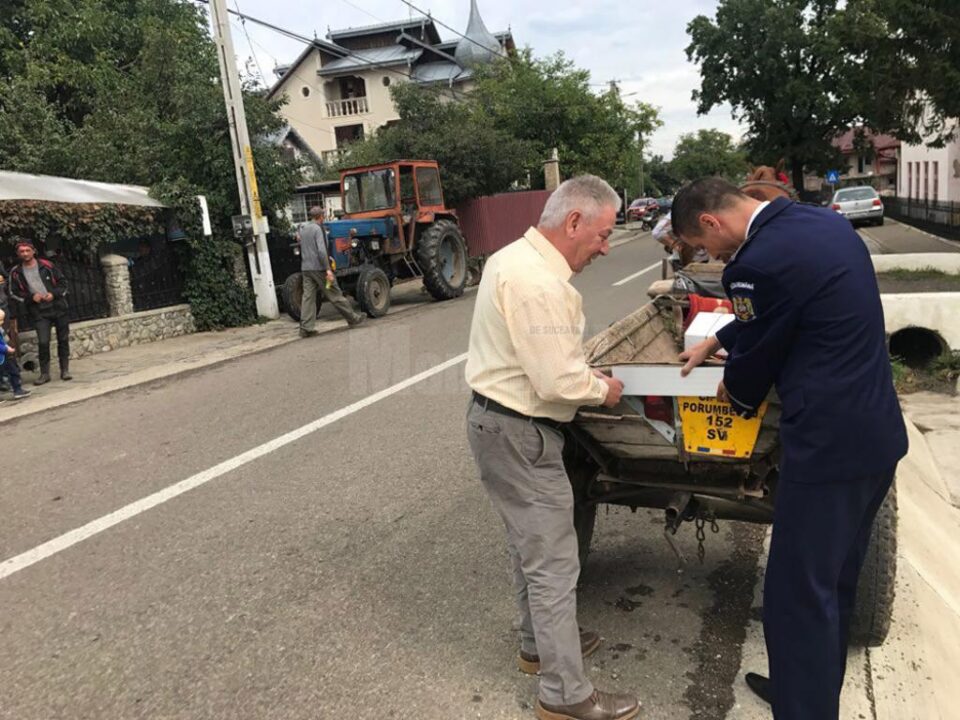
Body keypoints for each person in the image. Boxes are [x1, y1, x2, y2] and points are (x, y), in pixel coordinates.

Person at [671, 178, 907, 720]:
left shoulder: (752, 265)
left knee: (795, 596)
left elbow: (752, 374)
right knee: (834, 583)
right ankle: (810, 691)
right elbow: (799, 297)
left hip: (828, 452)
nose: (712, 255)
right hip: (875, 436)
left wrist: (734, 377)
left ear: (711, 222)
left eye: (704, 246)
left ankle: (804, 710)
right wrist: (724, 335)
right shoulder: (822, 222)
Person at [465, 175, 639, 720]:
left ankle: (537, 647)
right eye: (605, 234)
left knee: (530, 549)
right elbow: (558, 384)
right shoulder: (538, 282)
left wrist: (578, 371)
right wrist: (602, 388)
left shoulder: (512, 257)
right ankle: (565, 697)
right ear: (573, 222)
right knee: (554, 566)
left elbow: (541, 360)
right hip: (520, 431)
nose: (607, 247)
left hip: (497, 422)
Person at [8, 240, 72, 385]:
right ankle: (45, 373)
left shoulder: (47, 266)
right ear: (18, 254)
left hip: (58, 308)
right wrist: (31, 298)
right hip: (39, 312)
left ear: (33, 251)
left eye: (27, 250)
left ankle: (65, 370)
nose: (25, 254)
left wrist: (53, 294)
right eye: (22, 251)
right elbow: (13, 292)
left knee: (63, 339)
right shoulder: (16, 272)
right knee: (43, 342)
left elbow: (63, 283)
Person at [297, 206, 364, 336]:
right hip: (319, 268)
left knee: (308, 298)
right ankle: (353, 319)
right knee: (335, 294)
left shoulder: (304, 229)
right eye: (323, 215)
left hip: (306, 268)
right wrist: (328, 269)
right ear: (320, 216)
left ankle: (305, 328)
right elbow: (322, 251)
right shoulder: (318, 229)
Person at [0, 309, 30, 400]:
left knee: (13, 371)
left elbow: (4, 340)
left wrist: (8, 346)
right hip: (2, 356)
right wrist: (6, 348)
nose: (1, 323)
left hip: (5, 356)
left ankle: (18, 389)